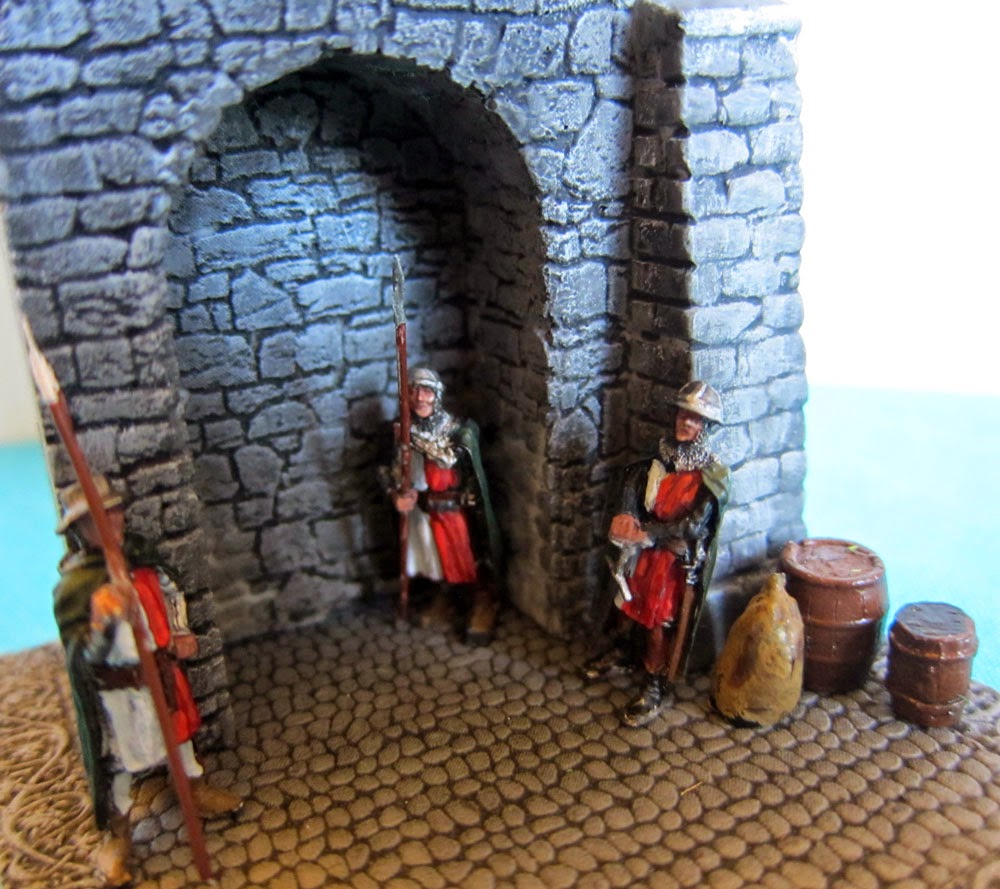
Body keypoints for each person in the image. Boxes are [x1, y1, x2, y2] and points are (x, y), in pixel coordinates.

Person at [53, 476, 242, 887]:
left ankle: (193, 790)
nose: (112, 521)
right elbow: (82, 656)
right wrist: (103, 620)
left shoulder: (141, 559)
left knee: (179, 736)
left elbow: (170, 590)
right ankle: (117, 832)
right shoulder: (77, 586)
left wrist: (180, 630)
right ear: (80, 528)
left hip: (162, 674)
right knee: (120, 760)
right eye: (98, 517)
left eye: (114, 511)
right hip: (119, 692)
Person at [585, 381, 731, 727]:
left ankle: (655, 682)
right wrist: (627, 513)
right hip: (644, 553)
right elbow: (634, 483)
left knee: (657, 623)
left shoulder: (712, 475)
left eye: (695, 418)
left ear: (705, 427)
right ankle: (625, 654)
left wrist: (650, 533)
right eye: (683, 414)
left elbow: (694, 525)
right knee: (625, 606)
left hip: (672, 561)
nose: (686, 422)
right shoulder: (661, 457)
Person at [389, 367, 502, 644]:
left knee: (468, 556)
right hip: (425, 510)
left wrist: (412, 438)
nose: (420, 398)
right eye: (413, 391)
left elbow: (447, 458)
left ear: (437, 394)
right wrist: (396, 493)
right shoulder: (402, 430)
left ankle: (483, 600)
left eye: (426, 391)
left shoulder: (459, 430)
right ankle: (448, 594)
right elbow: (391, 468)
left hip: (460, 509)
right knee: (436, 557)